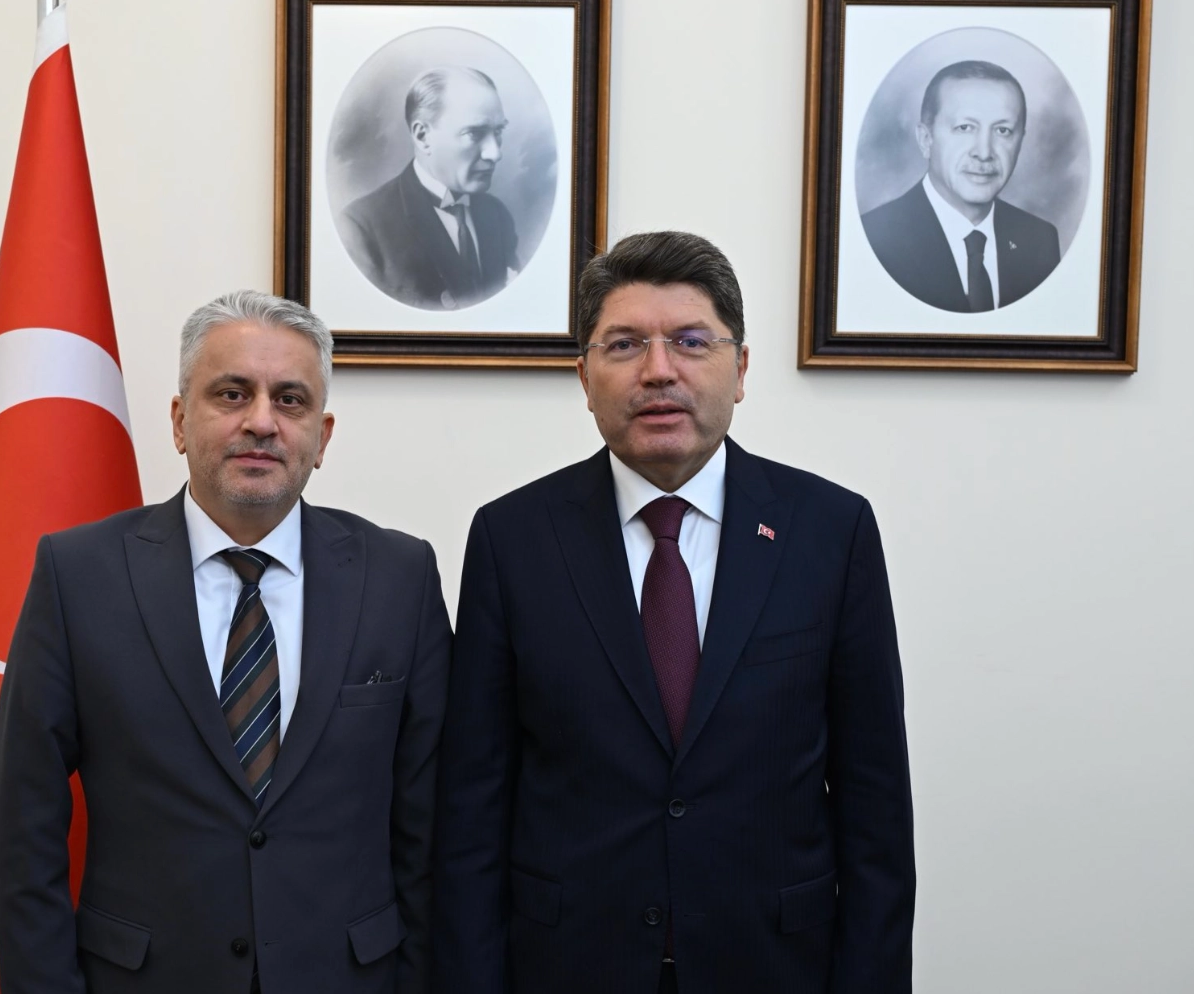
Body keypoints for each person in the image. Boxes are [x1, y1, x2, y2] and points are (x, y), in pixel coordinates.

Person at [433, 232, 915, 993]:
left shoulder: (831, 530)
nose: (659, 370)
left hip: (774, 964)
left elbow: (875, 805)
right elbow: (472, 808)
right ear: (584, 377)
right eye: (624, 344)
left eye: (691, 342)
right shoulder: (512, 538)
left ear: (741, 369)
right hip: (567, 965)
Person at [0, 290, 451, 994]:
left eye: (290, 400)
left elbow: (430, 828)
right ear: (180, 421)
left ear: (322, 436)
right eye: (232, 394)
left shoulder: (400, 577)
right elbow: (26, 826)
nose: (261, 421)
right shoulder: (77, 575)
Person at [861, 60, 1060, 312]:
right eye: (965, 128)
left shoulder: (1039, 240)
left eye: (1003, 130)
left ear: (1020, 141)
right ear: (926, 139)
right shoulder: (875, 239)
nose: (984, 152)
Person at [338, 66, 519, 310]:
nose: (495, 153)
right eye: (475, 134)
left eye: (498, 131)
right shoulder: (361, 228)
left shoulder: (497, 215)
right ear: (423, 136)